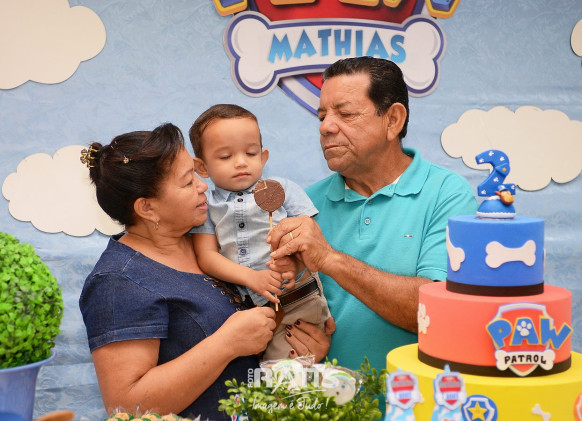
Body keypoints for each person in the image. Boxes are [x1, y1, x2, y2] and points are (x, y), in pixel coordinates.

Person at [78, 123, 329, 420]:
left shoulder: (213, 243)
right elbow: (126, 406)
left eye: (196, 175)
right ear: (147, 208)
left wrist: (298, 349)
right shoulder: (118, 282)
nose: (203, 186)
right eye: (187, 182)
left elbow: (256, 333)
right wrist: (227, 344)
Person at [268, 57, 478, 373]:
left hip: (417, 400)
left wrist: (329, 258)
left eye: (345, 114)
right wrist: (302, 348)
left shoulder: (446, 194)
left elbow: (439, 312)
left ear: (393, 120)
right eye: (322, 116)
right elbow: (277, 311)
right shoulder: (305, 205)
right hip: (331, 400)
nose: (325, 127)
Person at [188, 104, 332, 361]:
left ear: (263, 157)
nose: (241, 162)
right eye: (225, 156)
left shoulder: (283, 189)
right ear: (202, 167)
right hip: (247, 306)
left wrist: (294, 262)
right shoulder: (207, 205)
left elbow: (311, 238)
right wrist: (251, 278)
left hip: (298, 297)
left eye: (251, 153)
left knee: (283, 369)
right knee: (255, 369)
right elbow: (207, 257)